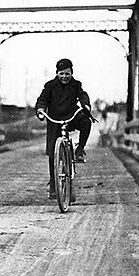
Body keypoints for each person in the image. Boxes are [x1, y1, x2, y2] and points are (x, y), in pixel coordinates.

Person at [35, 58, 95, 200]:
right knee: (52, 152)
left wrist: (86, 105)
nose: (64, 77)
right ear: (57, 73)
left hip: (71, 116)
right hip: (54, 119)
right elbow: (42, 99)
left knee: (86, 122)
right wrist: (41, 110)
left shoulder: (76, 84)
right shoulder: (50, 86)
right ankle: (54, 186)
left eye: (67, 74)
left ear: (71, 73)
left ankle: (79, 149)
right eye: (62, 73)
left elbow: (82, 95)